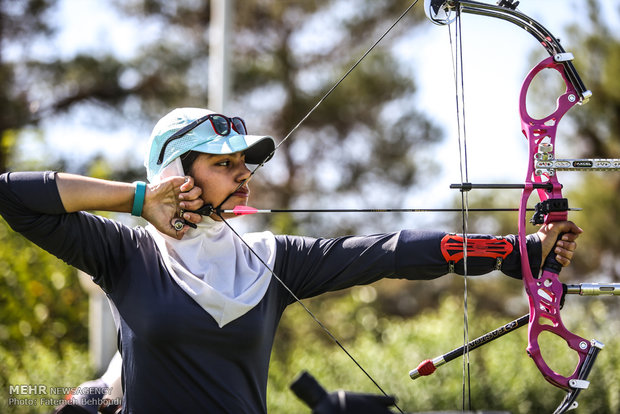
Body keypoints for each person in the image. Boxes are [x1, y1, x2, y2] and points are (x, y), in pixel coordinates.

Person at [0, 107, 581, 413]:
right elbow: (14, 195)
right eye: (225, 165)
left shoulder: (269, 258)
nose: (244, 175)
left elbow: (387, 253)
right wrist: (136, 201)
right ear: (179, 175)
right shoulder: (125, 252)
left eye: (244, 164)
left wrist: (518, 254)